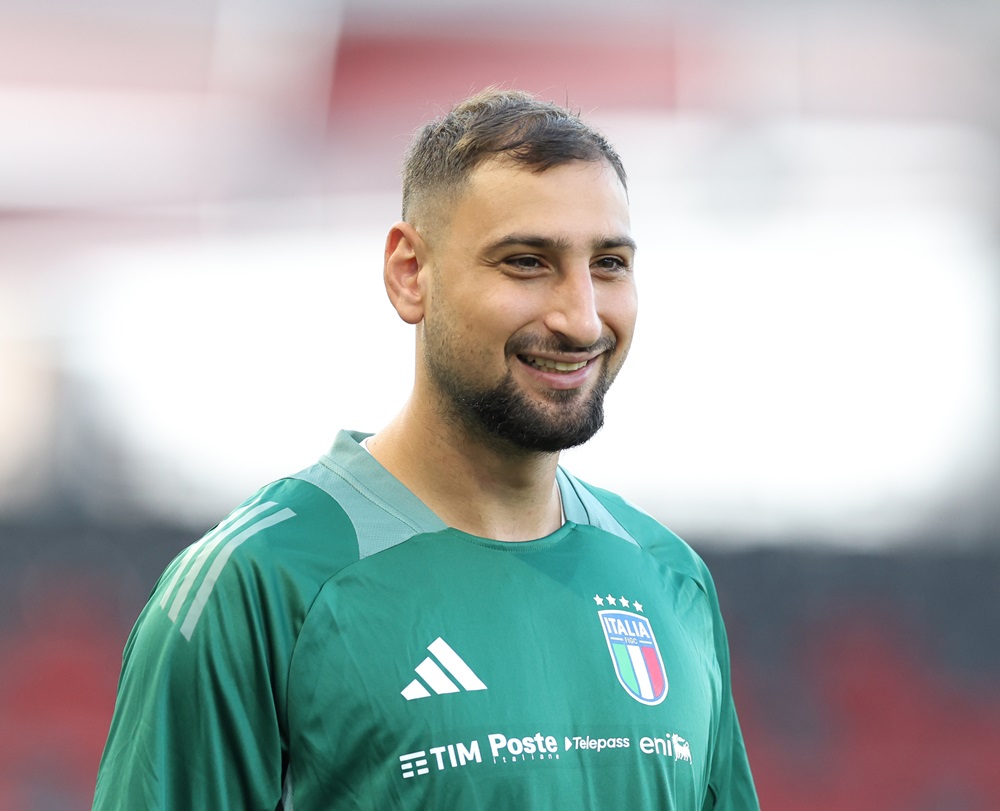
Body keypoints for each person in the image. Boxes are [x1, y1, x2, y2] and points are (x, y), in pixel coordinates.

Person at [93, 88, 759, 810]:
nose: (581, 318)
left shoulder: (669, 578)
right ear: (410, 272)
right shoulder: (257, 585)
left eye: (609, 264)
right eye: (527, 262)